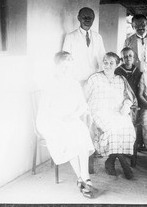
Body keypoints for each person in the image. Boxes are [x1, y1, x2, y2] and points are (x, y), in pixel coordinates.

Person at [36, 51, 99, 198]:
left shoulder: (73, 83)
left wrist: (73, 115)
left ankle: (84, 178)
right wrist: (61, 117)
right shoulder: (49, 83)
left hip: (69, 119)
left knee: (81, 132)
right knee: (69, 136)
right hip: (50, 120)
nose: (66, 70)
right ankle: (83, 179)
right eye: (63, 66)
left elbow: (83, 105)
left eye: (68, 67)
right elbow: (46, 108)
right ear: (56, 66)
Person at [85, 52, 137, 179]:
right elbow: (83, 97)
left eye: (111, 63)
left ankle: (111, 161)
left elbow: (129, 97)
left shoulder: (121, 79)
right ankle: (124, 164)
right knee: (113, 130)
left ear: (117, 64)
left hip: (117, 113)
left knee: (128, 128)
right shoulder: (94, 78)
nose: (107, 65)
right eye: (105, 62)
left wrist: (126, 104)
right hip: (99, 112)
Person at [62, 7, 106, 84]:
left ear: (93, 19)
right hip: (76, 80)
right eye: (84, 17)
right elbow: (65, 60)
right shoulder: (70, 37)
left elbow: (102, 58)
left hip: (94, 80)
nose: (87, 20)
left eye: (90, 17)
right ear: (78, 18)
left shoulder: (98, 37)